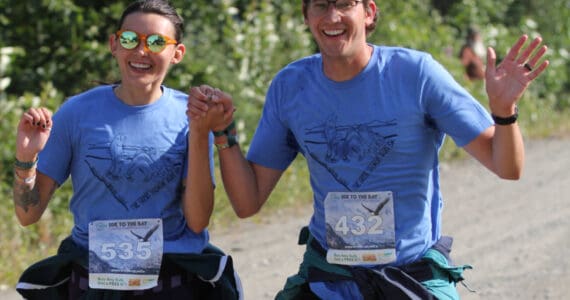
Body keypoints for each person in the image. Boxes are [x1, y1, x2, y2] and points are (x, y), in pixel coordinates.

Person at [188, 0, 549, 299]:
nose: (332, 17)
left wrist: (504, 113)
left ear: (369, 12)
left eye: (344, 4)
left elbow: (507, 167)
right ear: (307, 17)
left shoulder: (416, 74)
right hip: (328, 278)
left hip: (409, 278)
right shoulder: (291, 86)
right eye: (320, 6)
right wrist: (224, 132)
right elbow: (248, 203)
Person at [12, 0, 242, 299]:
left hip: (170, 285)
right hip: (94, 284)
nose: (141, 51)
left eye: (157, 42)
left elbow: (197, 221)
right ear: (114, 44)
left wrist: (199, 133)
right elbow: (28, 214)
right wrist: (27, 158)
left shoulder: (191, 117)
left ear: (177, 54)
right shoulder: (76, 113)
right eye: (130, 39)